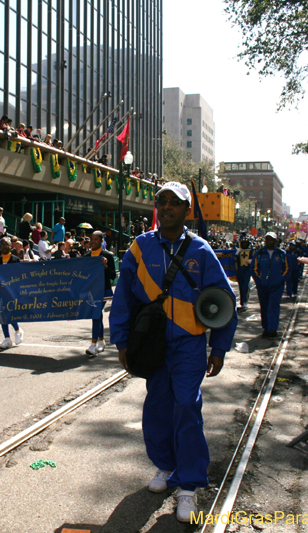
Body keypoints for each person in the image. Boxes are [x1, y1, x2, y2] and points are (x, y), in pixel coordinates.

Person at [109, 182, 238, 523]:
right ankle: (166, 466)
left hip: (189, 346)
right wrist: (121, 341)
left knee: (186, 406)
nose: (166, 207)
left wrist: (219, 348)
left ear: (186, 210)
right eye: (161, 201)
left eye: (174, 203)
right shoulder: (138, 248)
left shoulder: (201, 251)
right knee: (157, 408)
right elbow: (123, 298)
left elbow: (225, 300)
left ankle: (189, 485)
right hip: (151, 346)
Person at [251, 232, 288, 337]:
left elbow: (286, 269)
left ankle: (272, 329)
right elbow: (254, 269)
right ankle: (266, 328)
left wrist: (280, 280)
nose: (269, 241)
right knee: (264, 307)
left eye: (271, 239)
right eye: (267, 239)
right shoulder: (259, 253)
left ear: (275, 241)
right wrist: (259, 281)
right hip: (262, 286)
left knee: (273, 307)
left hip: (277, 286)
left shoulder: (281, 254)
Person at [85, 231, 116, 357]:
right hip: (92, 291)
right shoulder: (86, 256)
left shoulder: (107, 255)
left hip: (104, 290)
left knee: (95, 313)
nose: (93, 241)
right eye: (92, 239)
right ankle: (102, 341)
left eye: (96, 239)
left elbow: (113, 275)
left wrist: (106, 267)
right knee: (97, 314)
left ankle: (93, 345)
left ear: (101, 241)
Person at [0, 237, 24, 349]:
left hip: (11, 291)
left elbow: (19, 275)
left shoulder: (15, 259)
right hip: (0, 291)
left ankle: (18, 330)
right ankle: (7, 339)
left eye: (7, 244)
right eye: (2, 245)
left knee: (10, 313)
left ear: (11, 246)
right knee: (2, 313)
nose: (4, 246)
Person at [234, 239, 253, 311]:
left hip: (247, 271)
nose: (244, 244)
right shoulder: (239, 251)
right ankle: (242, 302)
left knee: (245, 286)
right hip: (240, 271)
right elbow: (235, 260)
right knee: (241, 286)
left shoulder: (251, 251)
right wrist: (236, 253)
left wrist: (251, 261)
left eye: (245, 243)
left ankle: (245, 301)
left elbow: (254, 259)